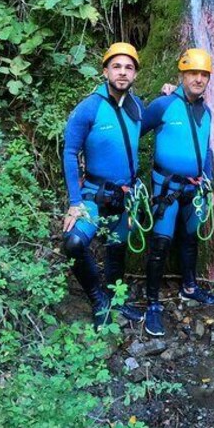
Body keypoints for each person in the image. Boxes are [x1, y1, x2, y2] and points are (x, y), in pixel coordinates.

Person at [61, 42, 146, 329]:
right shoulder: (89, 108)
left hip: (125, 195)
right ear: (105, 70)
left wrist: (173, 91)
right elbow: (70, 151)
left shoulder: (137, 106)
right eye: (117, 66)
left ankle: (116, 299)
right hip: (93, 195)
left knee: (117, 247)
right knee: (73, 242)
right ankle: (99, 300)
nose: (123, 72)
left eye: (129, 67)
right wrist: (74, 202)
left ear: (135, 74)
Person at [141, 48, 214, 337]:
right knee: (161, 243)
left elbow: (206, 149)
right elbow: (134, 132)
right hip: (166, 188)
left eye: (203, 74)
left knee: (190, 239)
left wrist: (208, 179)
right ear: (182, 75)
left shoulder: (206, 111)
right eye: (192, 73)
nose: (198, 79)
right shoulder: (163, 105)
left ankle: (189, 287)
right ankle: (152, 304)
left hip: (195, 188)